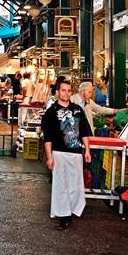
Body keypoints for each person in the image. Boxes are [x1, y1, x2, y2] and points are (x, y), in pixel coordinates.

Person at [41, 80, 92, 231]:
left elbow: (83, 132)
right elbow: (47, 137)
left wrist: (87, 150)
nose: (66, 93)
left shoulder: (77, 109)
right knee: (60, 186)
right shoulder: (51, 112)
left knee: (75, 185)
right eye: (63, 90)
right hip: (58, 153)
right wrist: (49, 157)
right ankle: (64, 216)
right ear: (57, 92)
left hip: (76, 153)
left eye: (69, 91)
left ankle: (72, 210)